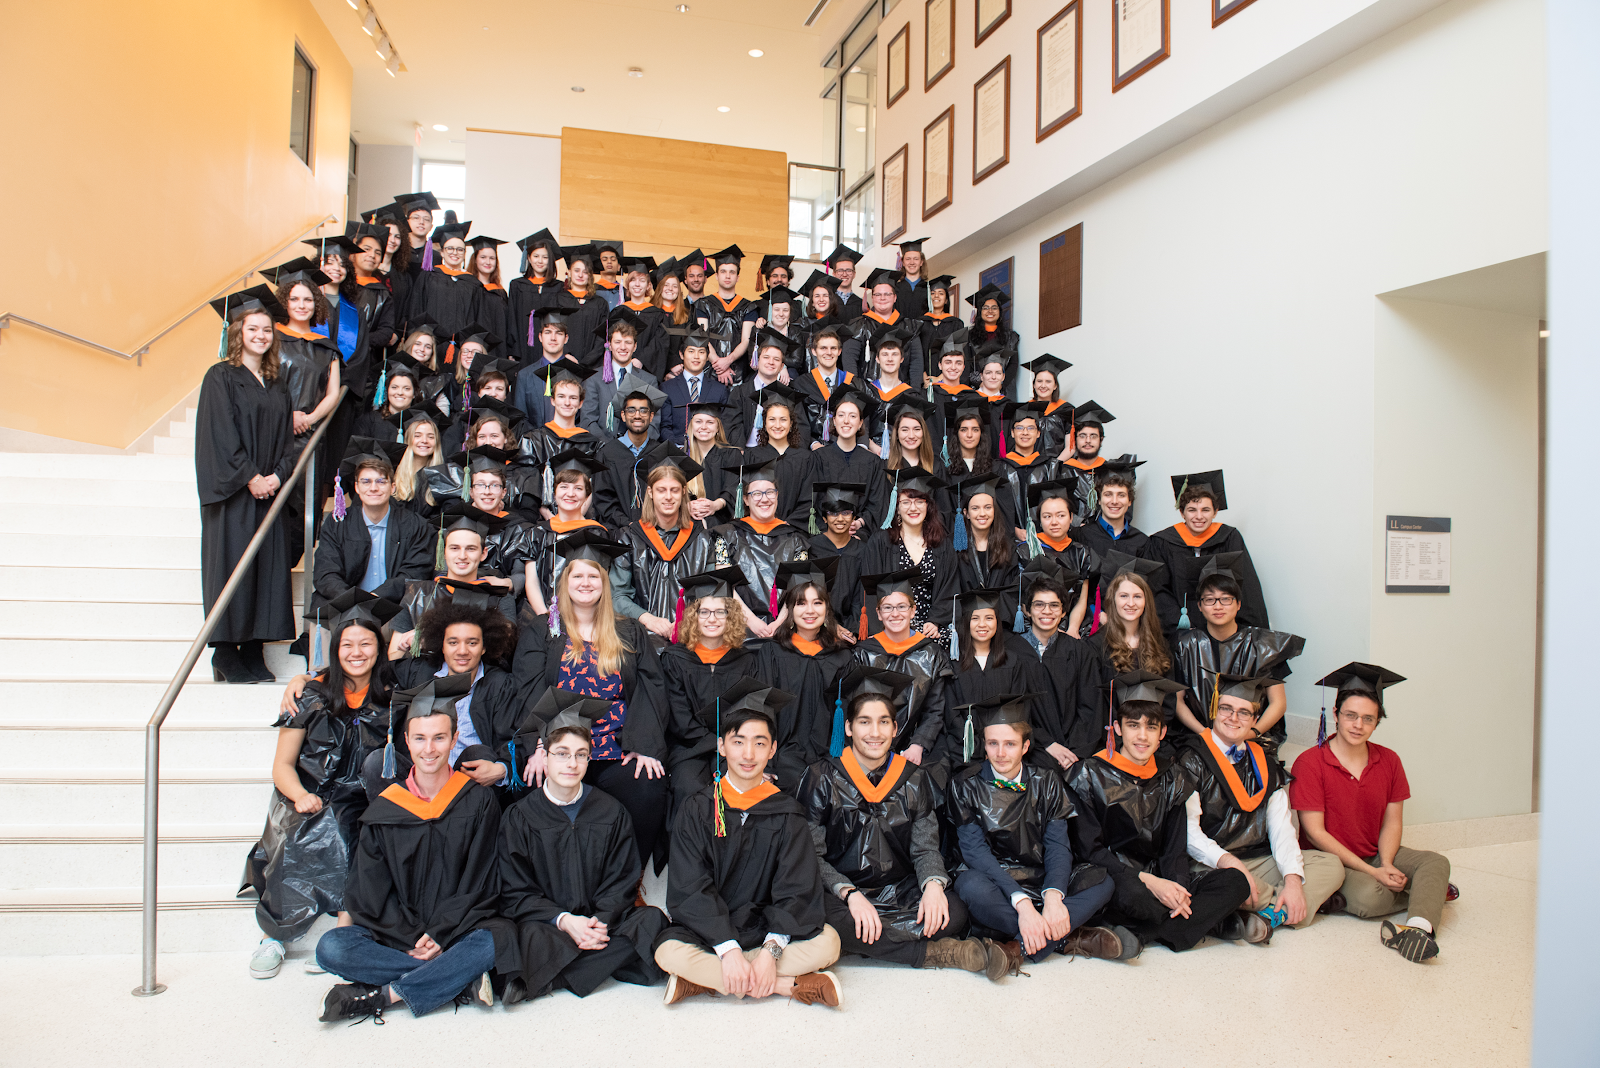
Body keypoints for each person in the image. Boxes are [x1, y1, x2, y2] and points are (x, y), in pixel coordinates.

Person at [312, 685, 504, 1022]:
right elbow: (368, 892)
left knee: (495, 940)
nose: (429, 750)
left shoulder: (477, 801)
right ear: (405, 739)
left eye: (440, 738)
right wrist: (412, 937)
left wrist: (442, 931)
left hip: (458, 929)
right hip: (399, 936)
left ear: (455, 737)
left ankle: (387, 994)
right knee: (331, 947)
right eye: (419, 739)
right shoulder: (386, 808)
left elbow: (483, 880)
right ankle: (457, 979)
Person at [799, 667, 1003, 977]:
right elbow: (812, 856)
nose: (875, 733)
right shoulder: (821, 777)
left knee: (955, 909)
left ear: (896, 728)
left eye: (883, 722)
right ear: (849, 727)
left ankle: (871, 941)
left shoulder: (914, 778)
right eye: (865, 722)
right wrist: (850, 894)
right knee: (815, 911)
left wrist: (933, 886)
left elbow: (925, 848)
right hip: (843, 894)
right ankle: (931, 952)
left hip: (899, 891)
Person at [653, 688, 843, 1007]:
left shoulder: (786, 811)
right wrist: (727, 949)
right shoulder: (698, 808)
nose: (748, 754)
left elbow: (796, 889)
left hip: (765, 927)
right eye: (738, 742)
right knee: (666, 950)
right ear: (721, 746)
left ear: (773, 750)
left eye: (759, 743)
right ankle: (788, 985)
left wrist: (770, 953)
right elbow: (690, 885)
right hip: (710, 932)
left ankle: (707, 982)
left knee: (830, 943)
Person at [243, 591, 397, 979]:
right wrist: (299, 795)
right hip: (309, 794)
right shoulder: (309, 695)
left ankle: (344, 933)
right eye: (348, 644)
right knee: (304, 830)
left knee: (365, 830)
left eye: (366, 643)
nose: (357, 652)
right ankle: (275, 936)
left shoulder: (394, 698)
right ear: (335, 649)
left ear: (380, 648)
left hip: (363, 795)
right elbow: (282, 766)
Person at [1066, 672, 1257, 953]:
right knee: (1129, 895)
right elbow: (1089, 851)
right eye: (1133, 726)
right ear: (1117, 728)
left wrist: (1178, 891)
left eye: (1151, 727)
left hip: (1157, 874)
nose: (1142, 736)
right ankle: (1193, 926)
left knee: (1235, 881)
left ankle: (1146, 932)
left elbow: (1174, 851)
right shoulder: (1088, 774)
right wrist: (1149, 882)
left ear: (1162, 733)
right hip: (1111, 873)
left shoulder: (1173, 777)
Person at [512, 535, 670, 870]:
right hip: (560, 748)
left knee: (648, 790)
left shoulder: (629, 632)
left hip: (614, 748)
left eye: (593, 576)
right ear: (564, 581)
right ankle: (553, 882)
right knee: (533, 785)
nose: (585, 583)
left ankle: (627, 880)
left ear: (605, 583)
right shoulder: (543, 630)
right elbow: (528, 689)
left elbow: (650, 688)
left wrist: (642, 745)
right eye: (577, 575)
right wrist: (539, 746)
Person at [496, 700, 668, 1005]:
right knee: (524, 935)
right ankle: (595, 966)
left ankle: (556, 975)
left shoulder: (610, 811)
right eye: (561, 754)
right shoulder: (520, 817)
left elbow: (622, 879)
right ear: (545, 758)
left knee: (653, 921)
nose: (571, 764)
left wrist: (599, 921)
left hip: (601, 924)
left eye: (580, 755)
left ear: (590, 759)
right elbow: (516, 889)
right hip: (551, 925)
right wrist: (564, 920)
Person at [947, 697, 1125, 970]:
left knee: (1104, 882)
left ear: (1025, 746)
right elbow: (975, 853)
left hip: (1039, 877)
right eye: (993, 743)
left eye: (1010, 744)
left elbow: (1057, 846)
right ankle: (1066, 937)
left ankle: (1016, 948)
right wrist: (1023, 905)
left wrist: (1053, 896)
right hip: (995, 881)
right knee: (969, 886)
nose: (1001, 753)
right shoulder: (966, 785)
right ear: (984, 746)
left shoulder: (1047, 781)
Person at [1290, 663, 1452, 963]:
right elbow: (1315, 832)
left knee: (1435, 862)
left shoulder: (1389, 760)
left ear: (1377, 723)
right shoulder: (1310, 763)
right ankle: (1427, 892)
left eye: (1368, 718)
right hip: (1332, 861)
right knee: (1369, 898)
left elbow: (1393, 821)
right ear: (1336, 715)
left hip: (1376, 851)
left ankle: (1418, 928)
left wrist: (1387, 862)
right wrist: (1373, 872)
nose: (1358, 725)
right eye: (1350, 715)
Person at [1177, 673, 1346, 936]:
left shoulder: (1264, 764)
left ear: (1255, 721)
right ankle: (1296, 907)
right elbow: (1189, 835)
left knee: (1331, 865)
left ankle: (1272, 911)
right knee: (1232, 886)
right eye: (1226, 709)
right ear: (1214, 711)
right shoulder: (1191, 759)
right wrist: (1228, 862)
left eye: (1244, 713)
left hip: (1257, 860)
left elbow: (1282, 829)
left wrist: (1292, 881)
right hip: (1213, 864)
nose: (1233, 718)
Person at [198, 286, 299, 684]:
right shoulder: (220, 377)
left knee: (266, 570)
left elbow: (287, 441)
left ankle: (255, 649)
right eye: (253, 328)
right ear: (238, 332)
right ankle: (225, 652)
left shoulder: (276, 383)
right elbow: (219, 435)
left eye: (267, 330)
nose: (261, 335)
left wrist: (278, 474)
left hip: (269, 491)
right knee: (233, 568)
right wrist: (249, 477)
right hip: (236, 495)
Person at [1169, 554, 1304, 744]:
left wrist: (1252, 733)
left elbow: (1278, 703)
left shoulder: (1264, 645)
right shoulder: (1184, 644)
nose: (1218, 606)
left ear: (1238, 604)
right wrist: (1206, 735)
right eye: (1210, 600)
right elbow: (1178, 701)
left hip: (1248, 737)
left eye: (1226, 599)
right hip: (1199, 736)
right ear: (1199, 606)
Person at [661, 568, 765, 812]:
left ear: (731, 618)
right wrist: (714, 742)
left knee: (744, 789)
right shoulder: (675, 659)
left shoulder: (746, 661)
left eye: (721, 612)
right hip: (689, 749)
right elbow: (678, 717)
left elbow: (751, 712)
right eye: (704, 612)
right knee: (688, 788)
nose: (712, 619)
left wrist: (732, 744)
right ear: (692, 617)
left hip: (736, 747)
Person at [306, 441, 434, 628]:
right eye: (366, 481)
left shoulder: (415, 525)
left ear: (392, 487)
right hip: (346, 606)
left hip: (394, 607)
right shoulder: (337, 525)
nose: (373, 488)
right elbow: (326, 573)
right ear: (356, 487)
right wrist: (352, 600)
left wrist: (376, 597)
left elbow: (415, 572)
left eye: (381, 481)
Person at [1140, 469, 1270, 641]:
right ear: (1182, 512)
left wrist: (1250, 634)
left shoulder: (1229, 538)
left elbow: (1246, 586)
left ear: (1215, 512)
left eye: (1206, 510)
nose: (1199, 516)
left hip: (1225, 631)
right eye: (1192, 510)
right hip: (1180, 632)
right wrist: (1178, 621)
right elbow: (1157, 589)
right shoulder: (1161, 543)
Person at [760, 560, 857, 782]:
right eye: (801, 603)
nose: (810, 611)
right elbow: (762, 710)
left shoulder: (842, 656)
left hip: (832, 757)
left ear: (827, 609)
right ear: (790, 610)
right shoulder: (772, 653)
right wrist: (765, 763)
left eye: (818, 603)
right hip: (783, 757)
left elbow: (850, 713)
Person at [942, 588, 1058, 768]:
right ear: (965, 623)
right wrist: (980, 748)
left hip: (1005, 750)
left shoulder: (1012, 662)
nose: (982, 624)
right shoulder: (951, 664)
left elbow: (1020, 708)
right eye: (975, 618)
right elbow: (951, 714)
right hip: (964, 750)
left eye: (989, 618)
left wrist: (996, 747)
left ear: (997, 622)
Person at [613, 446, 715, 644]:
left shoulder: (702, 540)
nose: (668, 497)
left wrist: (686, 622)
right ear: (650, 492)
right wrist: (647, 619)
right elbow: (617, 596)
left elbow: (710, 593)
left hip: (691, 639)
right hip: (640, 640)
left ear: (684, 491)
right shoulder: (629, 538)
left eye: (674, 490)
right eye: (661, 490)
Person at [851, 571, 952, 767]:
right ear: (878, 614)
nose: (895, 614)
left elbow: (935, 709)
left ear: (913, 611)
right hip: (871, 743)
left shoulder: (931, 654)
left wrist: (918, 744)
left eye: (901, 607)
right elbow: (856, 708)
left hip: (914, 746)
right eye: (887, 608)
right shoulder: (864, 654)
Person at [713, 457, 810, 638]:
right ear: (745, 500)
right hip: (737, 632)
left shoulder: (796, 540)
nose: (764, 499)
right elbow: (722, 582)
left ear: (777, 496)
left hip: (785, 632)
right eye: (756, 494)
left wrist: (780, 624)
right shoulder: (726, 536)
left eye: (770, 492)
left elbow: (798, 588)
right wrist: (752, 622)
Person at [1015, 558, 1101, 761]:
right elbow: (1015, 710)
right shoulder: (1012, 652)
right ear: (1026, 610)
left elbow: (1091, 708)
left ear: (1064, 611)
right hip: (1031, 750)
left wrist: (1072, 752)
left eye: (1054, 605)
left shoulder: (1080, 652)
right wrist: (1047, 744)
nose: (1047, 611)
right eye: (1039, 605)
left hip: (1076, 752)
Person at [860, 468, 957, 639]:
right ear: (896, 507)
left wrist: (935, 621)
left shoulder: (942, 545)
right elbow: (871, 589)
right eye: (906, 502)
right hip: (890, 625)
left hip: (930, 627)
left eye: (920, 501)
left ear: (928, 506)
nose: (913, 508)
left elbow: (949, 589)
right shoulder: (880, 542)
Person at [810, 385, 890, 532]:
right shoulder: (818, 459)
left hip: (861, 537)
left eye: (853, 416)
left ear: (860, 423)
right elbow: (812, 501)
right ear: (834, 420)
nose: (846, 421)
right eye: (841, 415)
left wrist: (859, 523)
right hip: (824, 534)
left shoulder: (873, 463)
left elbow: (878, 503)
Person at [954, 474, 1027, 629]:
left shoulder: (1008, 547)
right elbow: (951, 587)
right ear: (965, 513)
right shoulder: (953, 547)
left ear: (995, 511)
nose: (982, 513)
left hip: (1000, 622)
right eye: (975, 508)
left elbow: (1011, 590)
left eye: (988, 507)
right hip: (964, 622)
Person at [1026, 481, 1096, 635]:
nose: (1054, 522)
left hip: (1073, 627)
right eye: (1047, 516)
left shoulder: (1083, 553)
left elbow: (1082, 598)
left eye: (1061, 515)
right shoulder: (1027, 550)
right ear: (1039, 520)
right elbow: (1023, 599)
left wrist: (1072, 629)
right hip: (1036, 628)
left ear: (1071, 518)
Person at [595, 382, 667, 526]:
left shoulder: (662, 453)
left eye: (643, 411)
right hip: (617, 534)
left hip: (655, 532)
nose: (637, 415)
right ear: (623, 415)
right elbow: (602, 499)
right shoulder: (607, 453)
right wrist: (626, 524)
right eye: (631, 410)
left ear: (651, 416)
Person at [582, 309, 660, 438]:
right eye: (617, 342)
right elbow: (588, 420)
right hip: (602, 450)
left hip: (638, 452)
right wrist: (608, 448)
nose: (623, 347)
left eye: (628, 342)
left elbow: (654, 423)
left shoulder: (649, 380)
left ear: (635, 346)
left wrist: (636, 447)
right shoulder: (593, 378)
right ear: (609, 346)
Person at [842, 268, 924, 387]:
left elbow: (916, 363)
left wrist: (914, 392)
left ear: (895, 298)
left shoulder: (910, 326)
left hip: (901, 392)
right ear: (873, 298)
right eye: (878, 294)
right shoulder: (858, 325)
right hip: (867, 392)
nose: (882, 298)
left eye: (887, 294)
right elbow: (849, 361)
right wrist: (856, 390)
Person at [408, 222, 484, 351]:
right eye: (450, 248)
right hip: (430, 345)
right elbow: (416, 310)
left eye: (460, 249)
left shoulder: (473, 283)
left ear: (464, 253)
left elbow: (477, 319)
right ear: (442, 252)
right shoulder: (428, 277)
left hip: (461, 347)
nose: (455, 252)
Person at [805, 481, 869, 628]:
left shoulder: (863, 551)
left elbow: (861, 597)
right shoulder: (812, 547)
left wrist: (852, 628)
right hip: (817, 625)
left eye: (846, 513)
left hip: (852, 628)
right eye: (833, 513)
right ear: (824, 518)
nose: (840, 519)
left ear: (854, 518)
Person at [692, 244, 756, 387]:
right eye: (723, 271)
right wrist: (718, 364)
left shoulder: (748, 307)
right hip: (710, 368)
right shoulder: (703, 304)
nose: (727, 276)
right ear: (716, 275)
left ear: (738, 277)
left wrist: (727, 361)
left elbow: (746, 340)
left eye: (732, 272)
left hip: (739, 371)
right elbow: (703, 335)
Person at [511, 299, 578, 425]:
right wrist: (538, 441)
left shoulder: (576, 373)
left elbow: (581, 417)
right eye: (548, 332)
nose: (553, 338)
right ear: (540, 337)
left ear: (566, 338)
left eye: (558, 333)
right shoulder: (525, 376)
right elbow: (521, 420)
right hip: (535, 441)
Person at [659, 329, 732, 445]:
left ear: (708, 356)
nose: (696, 357)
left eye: (701, 352)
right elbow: (664, 426)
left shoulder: (720, 390)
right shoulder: (667, 388)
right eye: (691, 351)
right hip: (677, 452)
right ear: (681, 354)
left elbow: (725, 426)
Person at [1072, 462, 1147, 560]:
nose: (1114, 501)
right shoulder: (1081, 535)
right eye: (1108, 494)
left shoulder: (1142, 541)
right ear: (1099, 499)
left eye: (1121, 495)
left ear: (1130, 501)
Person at [509, 228, 563, 363]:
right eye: (536, 256)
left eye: (545, 257)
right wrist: (513, 350)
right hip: (523, 346)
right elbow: (512, 318)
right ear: (528, 257)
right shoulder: (517, 285)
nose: (540, 261)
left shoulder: (559, 287)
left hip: (550, 347)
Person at [1056, 400, 1115, 524]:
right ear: (1074, 439)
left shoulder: (1111, 472)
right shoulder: (1063, 473)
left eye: (1093, 436)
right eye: (1082, 436)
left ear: (1101, 440)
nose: (1088, 441)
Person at [795, 326, 855, 442]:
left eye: (833, 348)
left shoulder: (852, 383)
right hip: (814, 449)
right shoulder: (801, 384)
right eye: (823, 348)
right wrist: (813, 444)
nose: (828, 353)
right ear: (813, 351)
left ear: (839, 351)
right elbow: (799, 423)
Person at [554, 245, 610, 365]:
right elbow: (554, 329)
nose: (580, 275)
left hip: (594, 365)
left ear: (590, 276)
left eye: (585, 272)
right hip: (564, 360)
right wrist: (566, 353)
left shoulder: (600, 303)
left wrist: (588, 361)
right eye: (576, 270)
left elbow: (603, 336)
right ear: (569, 272)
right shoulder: (558, 299)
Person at [962, 284, 1021, 393]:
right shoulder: (969, 337)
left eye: (994, 308)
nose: (990, 311)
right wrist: (980, 383)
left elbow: (1013, 365)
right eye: (986, 308)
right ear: (980, 312)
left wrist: (1001, 384)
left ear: (999, 312)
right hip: (978, 389)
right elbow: (967, 364)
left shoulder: (1010, 337)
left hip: (1003, 390)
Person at [1026, 354, 1074, 459]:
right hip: (1030, 466)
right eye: (1039, 381)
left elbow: (1071, 447)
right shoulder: (1025, 409)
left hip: (1059, 466)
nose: (1043, 385)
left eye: (1048, 381)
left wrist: (1054, 466)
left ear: (1055, 385)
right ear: (1034, 384)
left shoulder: (1066, 410)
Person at [918, 276, 962, 384]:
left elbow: (959, 352)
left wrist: (941, 378)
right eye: (932, 293)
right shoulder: (919, 323)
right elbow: (916, 352)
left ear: (946, 299)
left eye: (941, 293)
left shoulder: (956, 324)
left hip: (948, 378)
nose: (936, 296)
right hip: (923, 380)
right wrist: (923, 376)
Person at [892, 237, 932, 319]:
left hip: (924, 331)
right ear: (903, 262)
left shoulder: (929, 288)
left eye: (916, 259)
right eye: (908, 259)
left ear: (921, 262)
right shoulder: (895, 288)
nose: (912, 262)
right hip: (900, 330)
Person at [825, 242, 864, 320]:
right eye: (840, 270)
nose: (844, 274)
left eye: (848, 270)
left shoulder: (861, 303)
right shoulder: (827, 301)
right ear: (834, 274)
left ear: (854, 274)